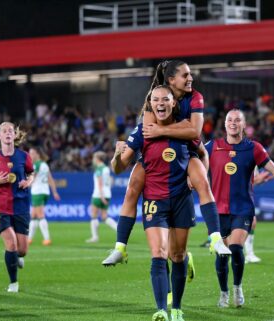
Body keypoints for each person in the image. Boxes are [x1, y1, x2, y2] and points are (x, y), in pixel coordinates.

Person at [103, 60, 230, 267]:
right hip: (156, 158)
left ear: (172, 102)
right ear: (171, 80)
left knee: (202, 183)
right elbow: (148, 132)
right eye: (185, 75)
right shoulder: (154, 100)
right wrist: (119, 155)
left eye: (190, 74)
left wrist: (162, 130)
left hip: (185, 152)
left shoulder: (194, 97)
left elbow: (193, 132)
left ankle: (215, 238)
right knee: (132, 188)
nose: (190, 78)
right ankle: (120, 248)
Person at [206, 109, 274, 308]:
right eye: (230, 119)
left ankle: (237, 287)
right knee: (221, 255)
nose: (233, 123)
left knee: (236, 248)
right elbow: (195, 163)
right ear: (225, 123)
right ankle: (223, 292)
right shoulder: (213, 146)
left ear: (244, 125)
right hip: (217, 211)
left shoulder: (254, 148)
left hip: (243, 209)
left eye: (238, 120)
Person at [112, 85, 195, 321]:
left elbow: (202, 153)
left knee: (177, 256)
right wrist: (118, 154)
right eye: (155, 99)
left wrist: (194, 174)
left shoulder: (186, 129)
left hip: (180, 199)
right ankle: (161, 309)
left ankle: (177, 308)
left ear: (173, 103)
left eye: (165, 99)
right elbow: (118, 167)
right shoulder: (142, 131)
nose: (160, 103)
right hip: (154, 200)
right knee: (158, 253)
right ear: (151, 104)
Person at [0, 122, 34, 293]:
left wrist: (29, 181)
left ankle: (16, 258)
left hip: (21, 206)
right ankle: (13, 283)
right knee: (10, 243)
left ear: (14, 135)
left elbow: (31, 173)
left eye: (10, 131)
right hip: (0, 207)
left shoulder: (24, 156)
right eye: (4, 131)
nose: (8, 133)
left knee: (22, 250)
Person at [28, 147, 60, 246]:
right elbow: (50, 179)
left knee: (40, 215)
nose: (30, 155)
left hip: (38, 192)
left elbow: (33, 177)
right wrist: (54, 192)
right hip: (44, 192)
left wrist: (25, 185)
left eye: (32, 153)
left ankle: (47, 239)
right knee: (33, 215)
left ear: (38, 154)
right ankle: (29, 239)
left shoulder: (37, 164)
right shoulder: (44, 165)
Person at [86, 151, 117, 243]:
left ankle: (94, 237)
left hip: (98, 194)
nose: (93, 160)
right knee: (104, 216)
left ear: (97, 159)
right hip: (107, 193)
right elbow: (111, 181)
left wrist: (101, 196)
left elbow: (99, 183)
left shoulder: (99, 169)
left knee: (94, 216)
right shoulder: (106, 168)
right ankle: (119, 230)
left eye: (94, 158)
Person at [245, 170, 273, 263]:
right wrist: (257, 179)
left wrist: (258, 181)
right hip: (235, 195)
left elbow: (250, 182)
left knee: (251, 222)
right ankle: (239, 254)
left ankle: (248, 254)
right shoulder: (242, 157)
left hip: (245, 194)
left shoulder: (254, 161)